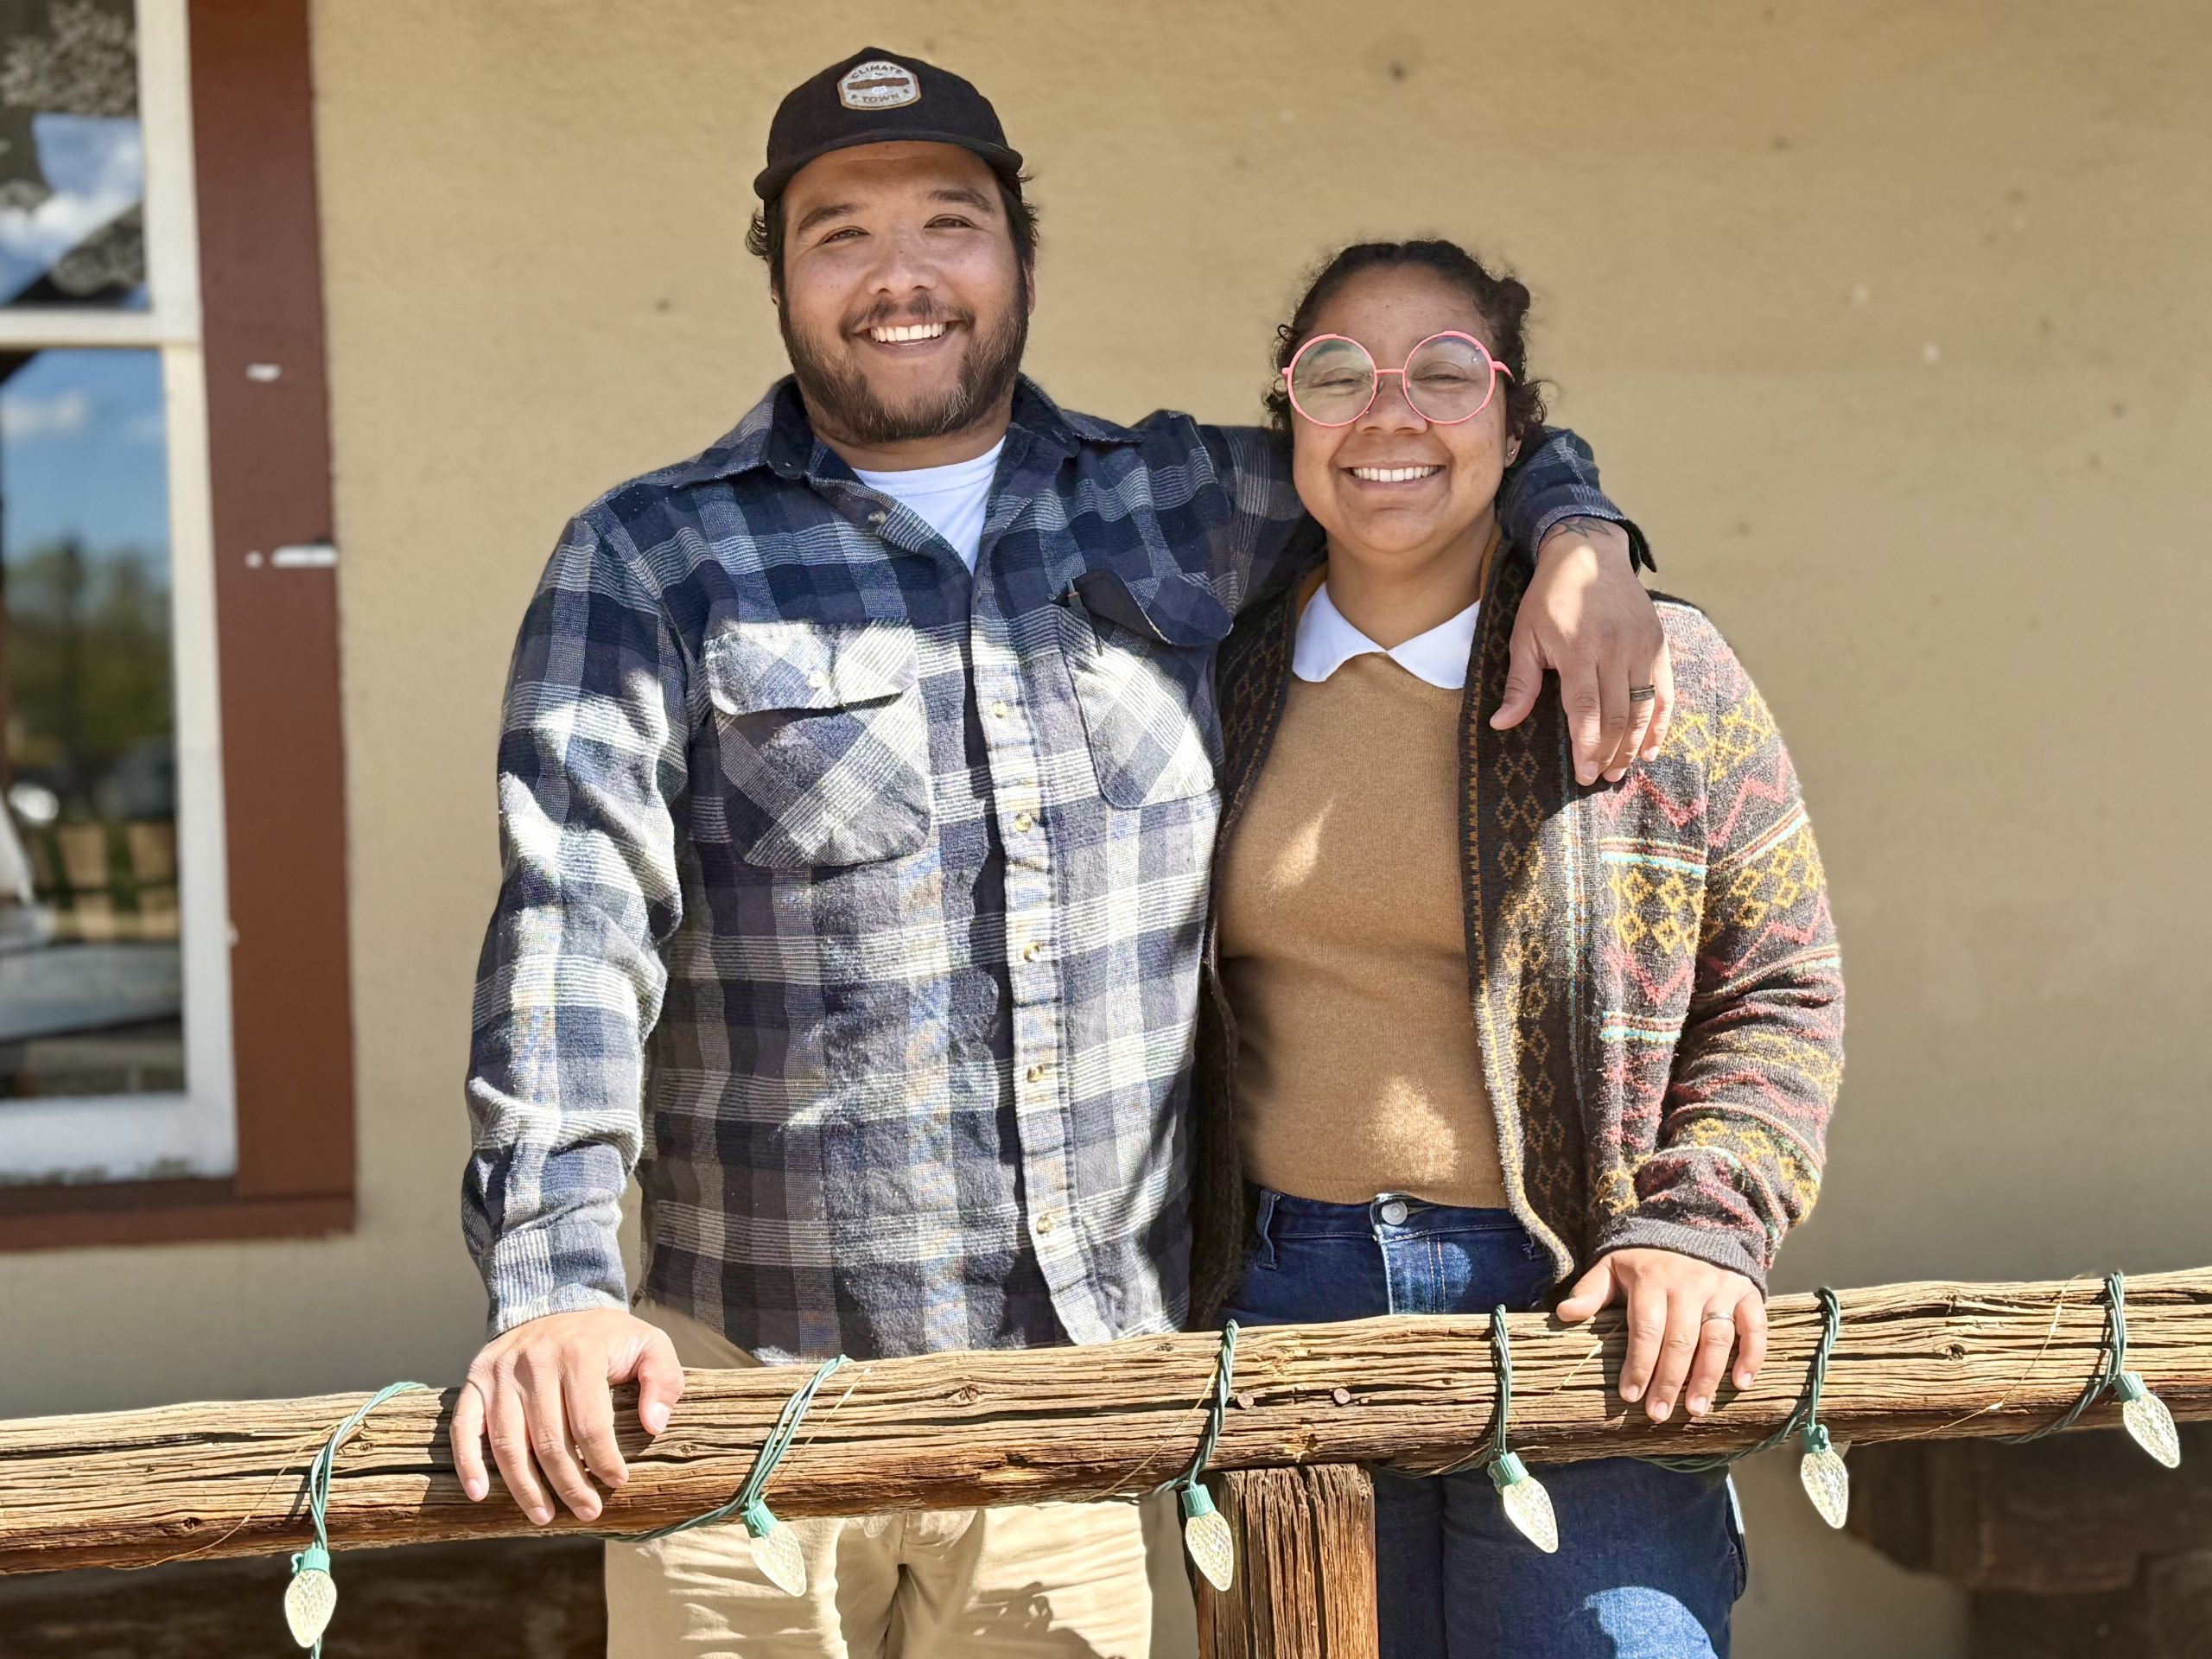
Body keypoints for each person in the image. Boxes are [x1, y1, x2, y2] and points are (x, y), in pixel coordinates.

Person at [452, 48, 1673, 1659]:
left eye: (949, 222)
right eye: (839, 233)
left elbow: (1414, 443)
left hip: (1077, 1402)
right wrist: (550, 1284)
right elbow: (570, 929)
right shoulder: (654, 557)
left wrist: (1580, 524)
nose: (901, 277)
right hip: (744, 1397)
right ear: (780, 275)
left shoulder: (1173, 503)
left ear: (1019, 253)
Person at [1189, 238, 1844, 1659]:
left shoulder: (1652, 668)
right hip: (1285, 1309)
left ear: (1514, 423)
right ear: (1287, 414)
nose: (1392, 415)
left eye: (1446, 375)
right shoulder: (1211, 675)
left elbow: (1781, 984)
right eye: (1338, 375)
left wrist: (1705, 1221)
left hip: (1584, 1307)